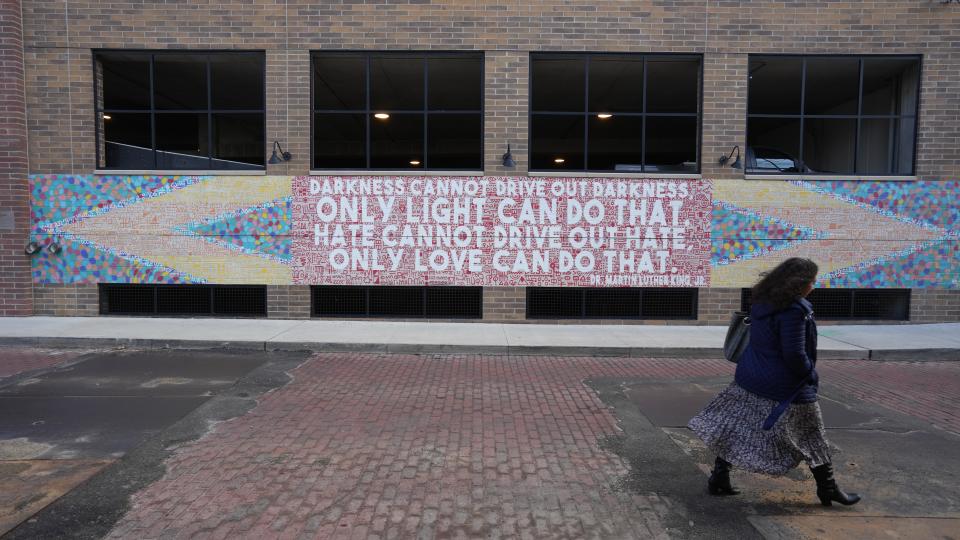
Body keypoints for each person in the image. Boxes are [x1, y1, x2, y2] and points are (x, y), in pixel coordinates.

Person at [688, 257, 861, 507]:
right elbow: (794, 354)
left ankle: (719, 477)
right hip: (786, 386)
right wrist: (810, 374)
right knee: (812, 435)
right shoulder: (794, 311)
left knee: (737, 426)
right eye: (812, 281)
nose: (814, 285)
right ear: (799, 284)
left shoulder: (762, 301)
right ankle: (828, 488)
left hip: (751, 376)